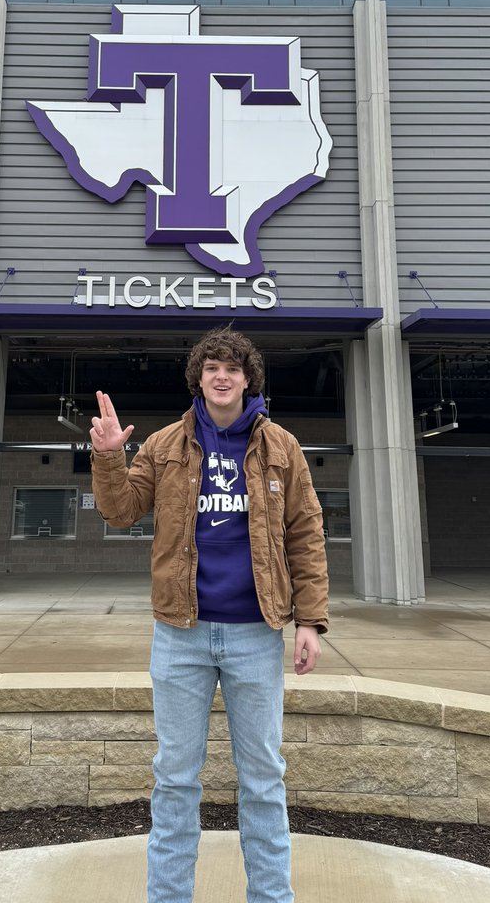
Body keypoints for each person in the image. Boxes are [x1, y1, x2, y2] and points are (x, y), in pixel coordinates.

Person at [90, 326, 329, 903]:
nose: (222, 376)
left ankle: (271, 897)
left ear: (248, 380)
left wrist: (309, 621)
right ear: (199, 378)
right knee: (175, 778)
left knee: (263, 779)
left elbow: (306, 533)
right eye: (212, 367)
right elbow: (120, 510)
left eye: (233, 368)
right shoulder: (165, 444)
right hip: (181, 634)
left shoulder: (282, 447)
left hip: (256, 633)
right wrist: (108, 456)